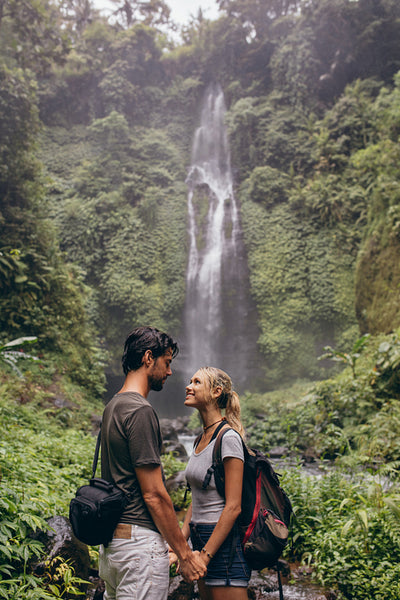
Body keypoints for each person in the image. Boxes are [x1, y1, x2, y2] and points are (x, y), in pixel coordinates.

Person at [98, 326, 207, 600]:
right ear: (149, 357)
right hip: (138, 548)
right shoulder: (140, 410)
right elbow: (154, 494)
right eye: (167, 362)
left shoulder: (113, 405)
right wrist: (184, 553)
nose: (170, 372)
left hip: (113, 546)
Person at [173, 366, 251, 599]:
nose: (189, 386)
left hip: (222, 544)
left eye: (197, 382)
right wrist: (181, 543)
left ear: (216, 392)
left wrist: (204, 556)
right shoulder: (200, 438)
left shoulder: (228, 438)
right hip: (200, 538)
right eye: (190, 381)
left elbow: (233, 506)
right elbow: (197, 499)